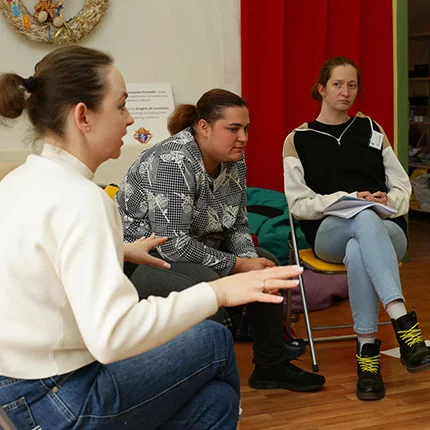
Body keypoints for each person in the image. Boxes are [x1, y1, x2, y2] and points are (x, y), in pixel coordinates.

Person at [0, 46, 305, 430]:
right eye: (122, 106)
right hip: (60, 399)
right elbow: (113, 336)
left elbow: (43, 259)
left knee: (217, 400)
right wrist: (221, 291)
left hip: (16, 386)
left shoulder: (19, 182)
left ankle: (267, 367)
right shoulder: (82, 199)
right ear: (83, 116)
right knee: (213, 341)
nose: (130, 120)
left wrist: (119, 248)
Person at [115, 88, 326, 393]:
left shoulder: (234, 161)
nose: (243, 137)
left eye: (246, 129)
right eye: (233, 129)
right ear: (204, 127)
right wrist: (238, 264)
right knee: (204, 282)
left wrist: (249, 263)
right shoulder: (173, 161)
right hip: (143, 258)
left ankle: (271, 364)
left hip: (197, 248)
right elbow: (172, 244)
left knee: (267, 267)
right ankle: (208, 380)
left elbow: (238, 222)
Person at [283, 56, 430, 401]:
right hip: (327, 233)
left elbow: (402, 186)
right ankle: (403, 325)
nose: (345, 92)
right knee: (361, 218)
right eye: (337, 84)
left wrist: (385, 199)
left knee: (360, 242)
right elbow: (298, 203)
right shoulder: (297, 139)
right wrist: (347, 200)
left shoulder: (372, 130)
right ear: (321, 88)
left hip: (385, 229)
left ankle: (368, 355)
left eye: (352, 85)